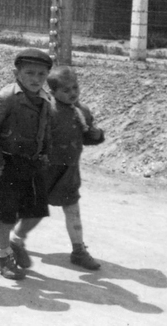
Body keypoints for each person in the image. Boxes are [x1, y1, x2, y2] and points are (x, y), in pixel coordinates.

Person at [0, 48, 53, 280]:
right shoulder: (7, 97)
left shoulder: (45, 97)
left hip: (31, 164)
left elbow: (45, 128)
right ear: (16, 73)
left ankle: (16, 241)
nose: (36, 79)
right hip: (7, 164)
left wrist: (45, 152)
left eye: (41, 75)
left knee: (37, 209)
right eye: (30, 73)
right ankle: (3, 258)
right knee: (6, 215)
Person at [45, 66, 105, 270]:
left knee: (72, 210)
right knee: (28, 209)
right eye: (66, 90)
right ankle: (12, 243)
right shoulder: (48, 111)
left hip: (69, 171)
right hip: (45, 170)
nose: (73, 93)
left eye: (75, 87)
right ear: (53, 93)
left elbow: (85, 136)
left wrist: (96, 136)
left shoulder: (82, 111)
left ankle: (78, 250)